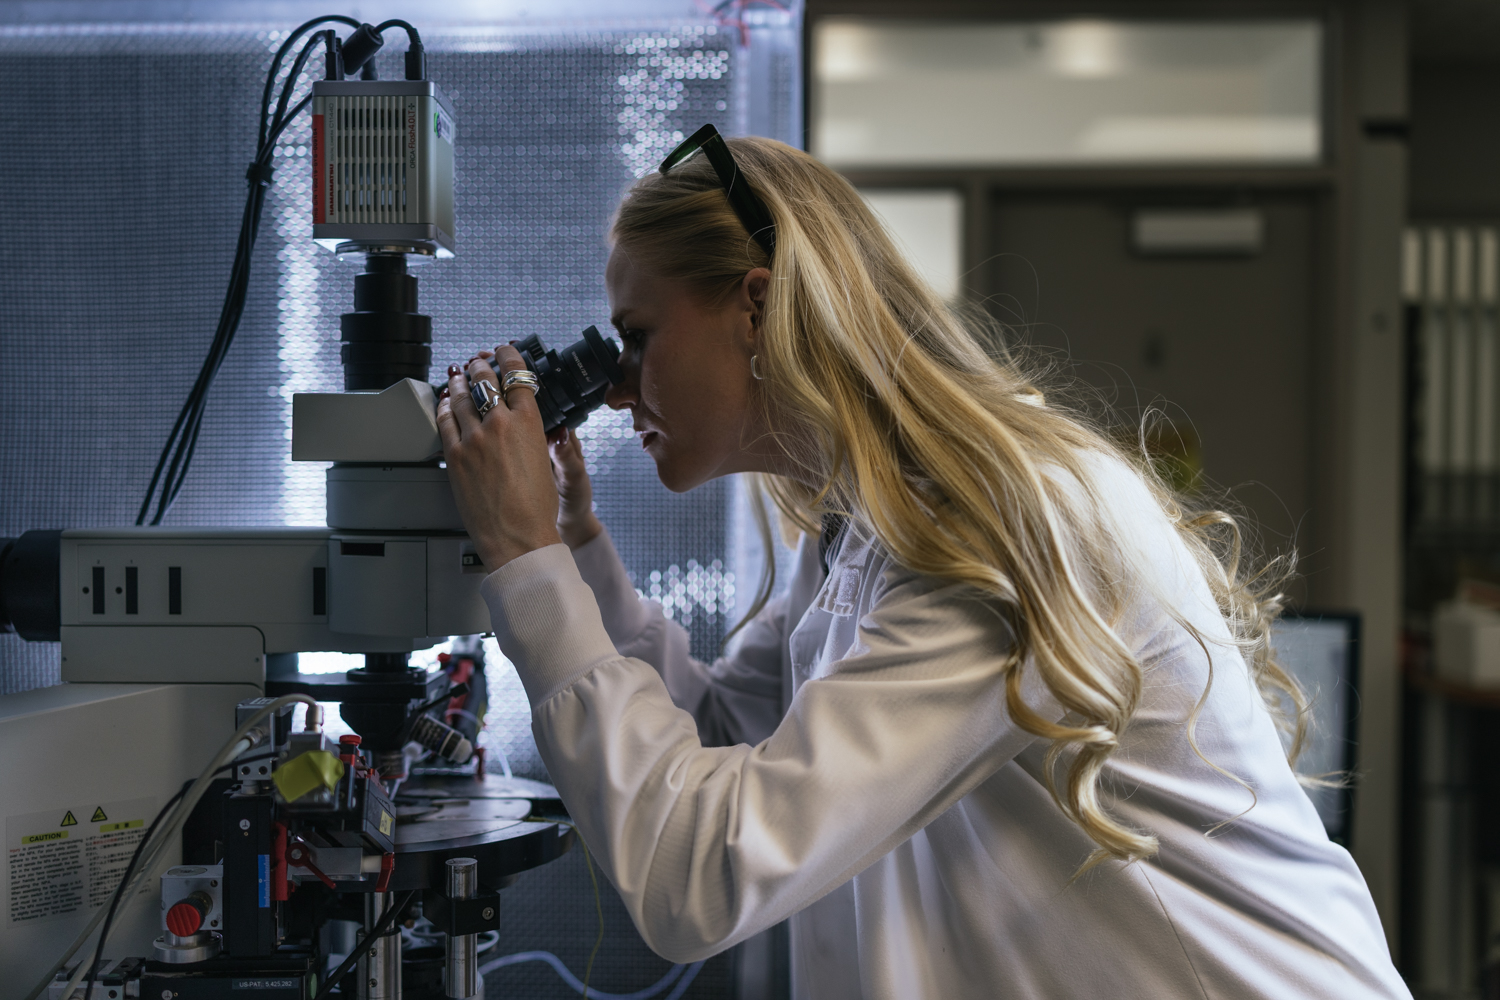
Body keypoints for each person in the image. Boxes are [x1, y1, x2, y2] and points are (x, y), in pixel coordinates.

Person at [435, 126, 1410, 999]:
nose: (611, 391)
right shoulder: (858, 520)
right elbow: (730, 737)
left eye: (636, 340)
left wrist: (525, 561)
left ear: (755, 306)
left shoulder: (991, 527)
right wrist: (570, 545)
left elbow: (703, 868)